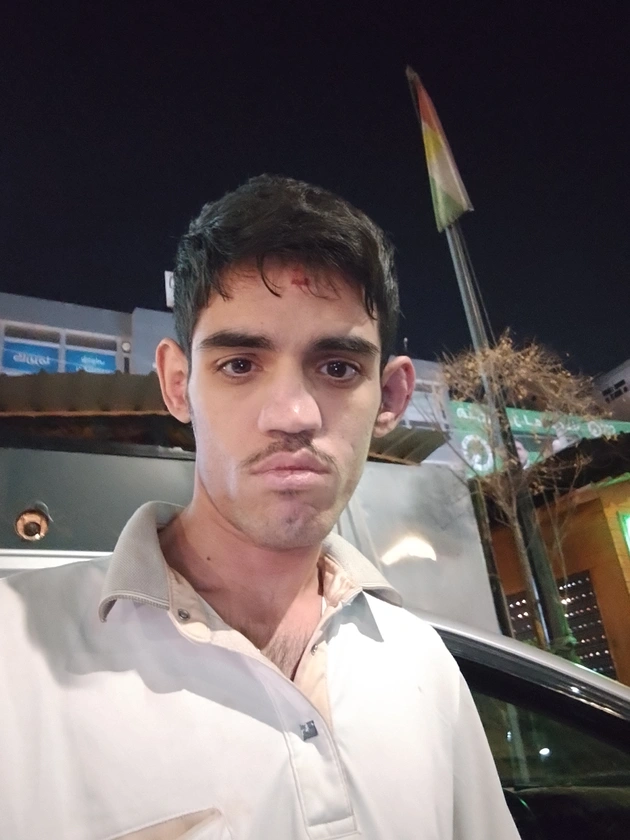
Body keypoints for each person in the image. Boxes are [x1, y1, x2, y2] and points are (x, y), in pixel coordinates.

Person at [0, 176, 520, 840]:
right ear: (177, 385)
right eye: (240, 365)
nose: (293, 414)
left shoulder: (423, 666)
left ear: (390, 397)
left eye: (337, 368)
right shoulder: (15, 657)